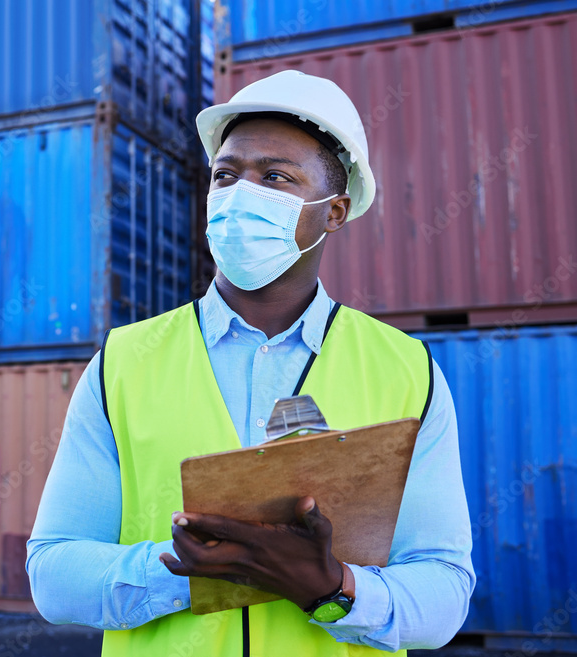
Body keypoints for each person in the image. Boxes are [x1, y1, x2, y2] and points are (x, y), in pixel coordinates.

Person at [26, 70, 475, 656]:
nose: (241, 193)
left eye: (275, 177)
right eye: (226, 175)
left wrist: (331, 588)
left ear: (334, 212)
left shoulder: (407, 371)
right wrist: (189, 571)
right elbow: (54, 574)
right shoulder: (122, 363)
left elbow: (443, 592)